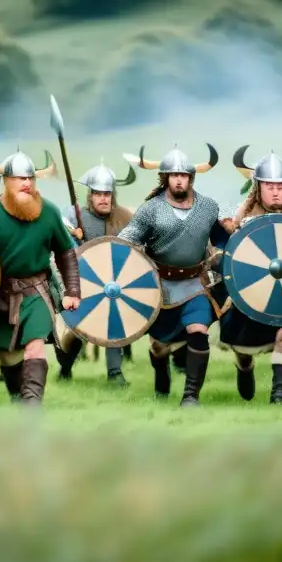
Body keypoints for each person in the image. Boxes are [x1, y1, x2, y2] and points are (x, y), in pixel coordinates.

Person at [0, 145, 80, 404]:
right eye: (19, 178)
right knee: (9, 357)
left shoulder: (48, 212)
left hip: (35, 291)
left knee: (35, 345)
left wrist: (72, 290)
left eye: (30, 178)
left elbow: (65, 253)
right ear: (6, 181)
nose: (26, 183)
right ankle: (19, 397)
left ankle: (32, 405)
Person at [118, 144, 229, 406]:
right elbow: (127, 240)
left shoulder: (208, 207)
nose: (179, 180)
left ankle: (191, 396)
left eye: (184, 175)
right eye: (174, 175)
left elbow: (222, 241)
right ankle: (161, 373)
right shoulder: (150, 209)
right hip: (159, 286)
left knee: (198, 330)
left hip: (194, 284)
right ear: (165, 178)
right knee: (159, 346)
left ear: (191, 178)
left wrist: (229, 239)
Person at [219, 148, 282, 404]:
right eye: (269, 185)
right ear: (258, 187)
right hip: (248, 292)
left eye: (280, 185)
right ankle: (244, 367)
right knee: (244, 350)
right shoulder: (241, 216)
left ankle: (279, 393)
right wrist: (229, 221)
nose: (276, 190)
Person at [54, 159, 137, 385]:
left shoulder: (124, 217)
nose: (103, 198)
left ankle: (115, 373)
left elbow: (134, 252)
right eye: (98, 194)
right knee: (77, 333)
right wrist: (75, 238)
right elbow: (63, 248)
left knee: (114, 325)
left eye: (107, 194)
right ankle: (66, 369)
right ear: (90, 195)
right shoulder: (72, 215)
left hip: (114, 283)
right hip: (82, 284)